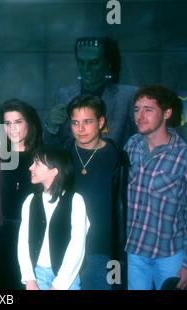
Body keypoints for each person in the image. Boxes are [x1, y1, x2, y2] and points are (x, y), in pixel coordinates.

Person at [124, 85, 187, 290]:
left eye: (148, 109)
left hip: (170, 255)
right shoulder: (131, 145)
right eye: (137, 109)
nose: (140, 116)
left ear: (167, 113)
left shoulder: (184, 156)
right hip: (134, 250)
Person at [67, 94, 128, 290]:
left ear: (101, 122)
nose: (81, 129)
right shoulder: (62, 156)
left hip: (106, 249)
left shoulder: (118, 157)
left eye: (87, 122)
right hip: (67, 248)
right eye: (75, 123)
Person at [0, 99, 42, 289]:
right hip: (1, 234)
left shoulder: (42, 156)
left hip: (34, 233)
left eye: (18, 122)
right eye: (7, 124)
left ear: (29, 123)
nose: (13, 129)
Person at [44, 36, 138, 148]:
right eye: (81, 62)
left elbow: (142, 139)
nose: (86, 68)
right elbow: (50, 145)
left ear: (108, 64)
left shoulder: (127, 97)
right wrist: (51, 126)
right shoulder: (63, 95)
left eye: (94, 62)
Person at [17, 146, 90, 290]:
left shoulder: (76, 201)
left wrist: (59, 285)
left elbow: (77, 246)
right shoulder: (30, 200)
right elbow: (23, 241)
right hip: (36, 275)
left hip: (67, 279)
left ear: (54, 170)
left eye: (37, 163)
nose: (31, 167)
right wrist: (29, 278)